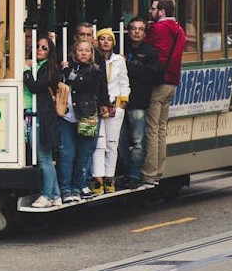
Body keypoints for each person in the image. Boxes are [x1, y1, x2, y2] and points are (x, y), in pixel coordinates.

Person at [59, 39, 110, 202]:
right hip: (67, 115)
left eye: (87, 50)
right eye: (80, 50)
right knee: (67, 153)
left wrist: (68, 72)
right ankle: (65, 189)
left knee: (83, 154)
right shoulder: (66, 68)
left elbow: (84, 83)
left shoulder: (95, 70)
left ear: (91, 54)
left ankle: (77, 186)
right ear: (74, 53)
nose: (83, 53)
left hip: (86, 115)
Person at [142, 0, 185, 187]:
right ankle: (159, 170)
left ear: (161, 12)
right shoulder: (178, 28)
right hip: (172, 83)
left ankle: (149, 172)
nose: (151, 11)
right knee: (161, 129)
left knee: (152, 129)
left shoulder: (159, 29)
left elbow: (151, 49)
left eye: (153, 9)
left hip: (160, 83)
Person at [117, 17, 161, 190]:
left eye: (140, 29)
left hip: (138, 102)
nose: (136, 32)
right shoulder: (122, 48)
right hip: (121, 102)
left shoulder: (150, 52)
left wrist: (127, 66)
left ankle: (134, 174)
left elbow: (151, 75)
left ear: (144, 32)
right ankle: (126, 172)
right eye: (133, 28)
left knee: (137, 141)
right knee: (121, 140)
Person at [23, 36, 62, 208]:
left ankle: (47, 194)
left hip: (42, 115)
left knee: (44, 157)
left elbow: (35, 86)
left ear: (50, 52)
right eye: (37, 46)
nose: (39, 49)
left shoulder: (50, 69)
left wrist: (25, 69)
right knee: (43, 157)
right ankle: (55, 194)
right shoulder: (36, 65)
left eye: (44, 48)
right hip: (30, 112)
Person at [90, 28, 129, 195]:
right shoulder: (93, 59)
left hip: (115, 105)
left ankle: (109, 177)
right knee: (99, 143)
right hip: (98, 105)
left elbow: (124, 82)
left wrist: (122, 103)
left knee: (112, 144)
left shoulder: (119, 60)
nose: (105, 42)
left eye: (109, 39)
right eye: (102, 38)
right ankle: (97, 178)